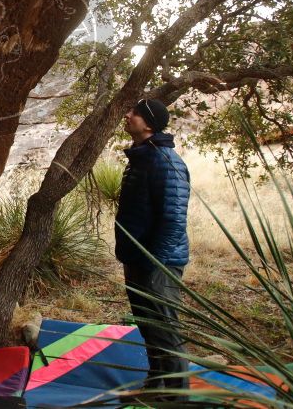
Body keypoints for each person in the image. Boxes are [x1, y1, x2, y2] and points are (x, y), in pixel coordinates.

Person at [115, 98, 190, 403]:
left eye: (134, 112)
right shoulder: (143, 158)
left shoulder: (166, 162)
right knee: (150, 330)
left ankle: (175, 400)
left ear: (149, 124)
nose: (127, 114)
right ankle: (157, 390)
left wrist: (153, 263)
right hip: (138, 259)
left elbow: (173, 220)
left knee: (165, 332)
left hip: (157, 264)